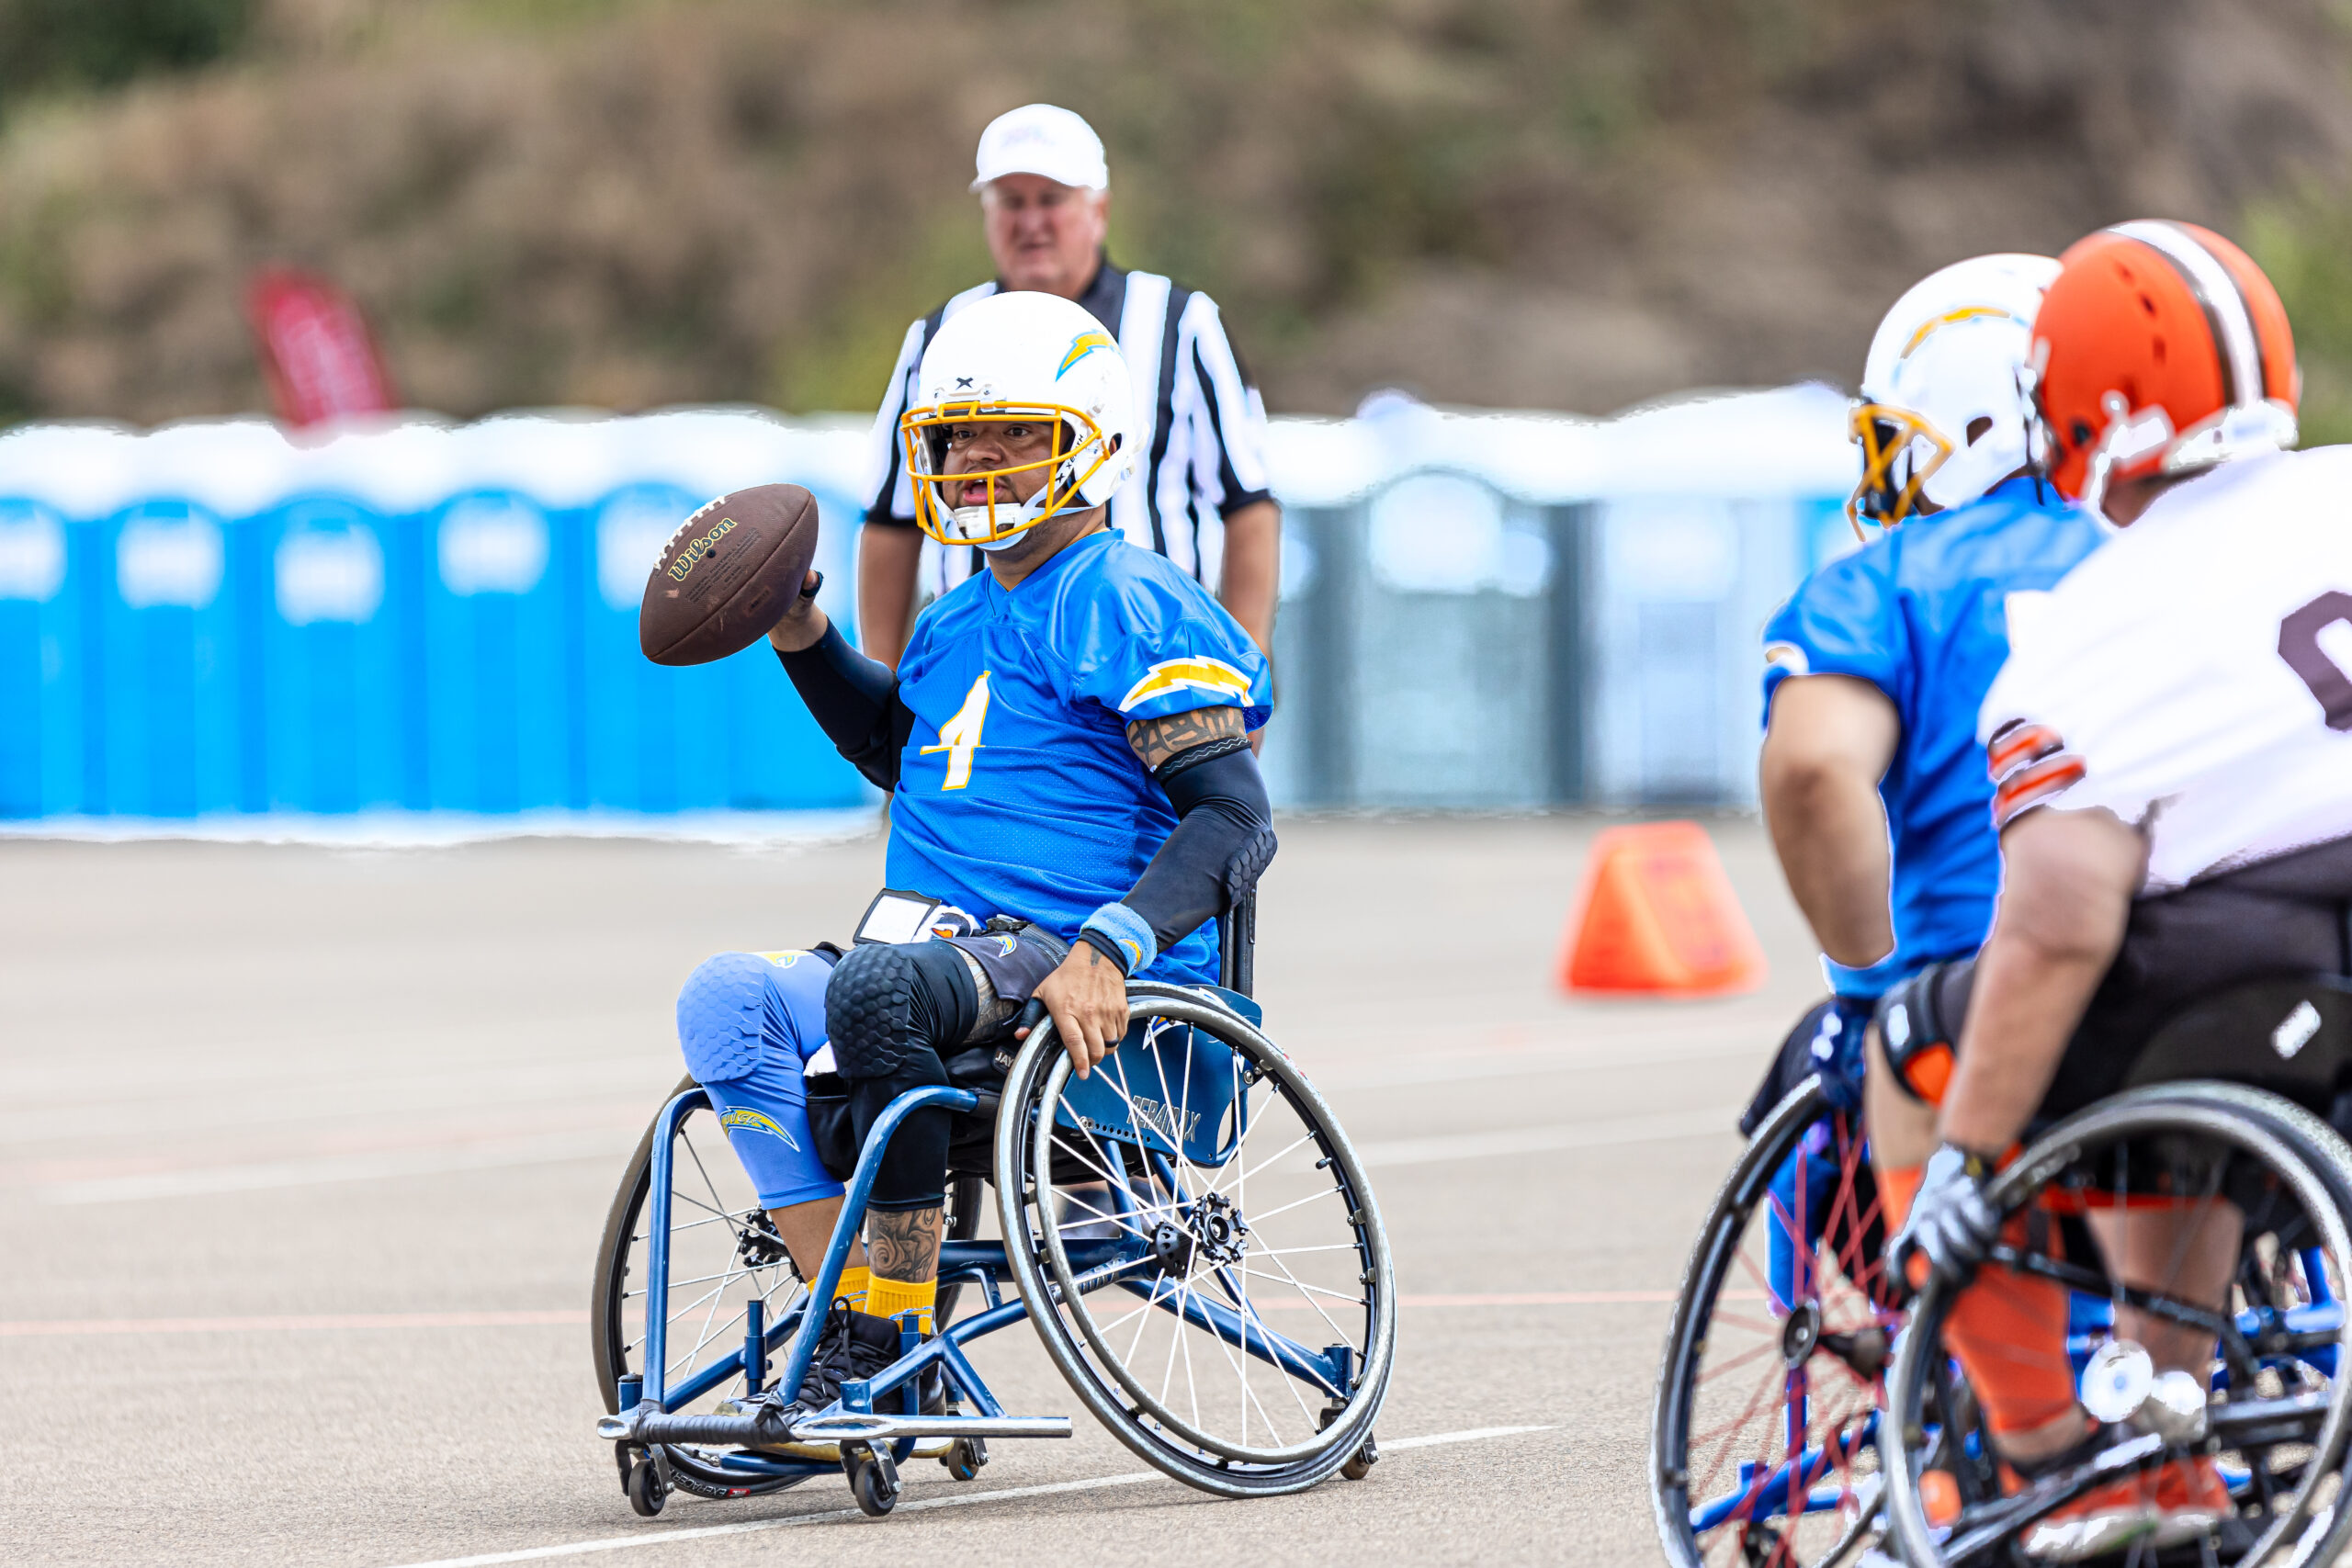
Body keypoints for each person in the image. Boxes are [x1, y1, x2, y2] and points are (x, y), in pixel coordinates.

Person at [672, 288, 1273, 1438]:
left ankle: (891, 1328)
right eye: (957, 437)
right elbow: (907, 757)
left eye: (1012, 433)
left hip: (1071, 965)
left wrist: (1112, 944)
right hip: (939, 952)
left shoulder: (1129, 599)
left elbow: (1234, 819)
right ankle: (847, 1316)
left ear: (1086, 441)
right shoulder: (953, 619)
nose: (977, 460)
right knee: (728, 998)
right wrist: (804, 636)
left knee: (875, 987)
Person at [1871, 220, 2346, 1559]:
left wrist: (1971, 1148)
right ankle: (2172, 1391)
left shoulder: (2087, 620)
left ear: (2074, 412)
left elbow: (2059, 921)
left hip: (2255, 971)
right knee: (2179, 1043)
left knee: (1921, 1046)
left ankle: (2056, 1449)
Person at [1743, 253, 2100, 1133]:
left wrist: (1868, 984)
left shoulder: (1887, 583)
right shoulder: (2182, 555)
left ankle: (1915, 1263)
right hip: (2210, 969)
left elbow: (1814, 771)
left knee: (1813, 1109)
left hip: (1977, 986)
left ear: (1974, 419)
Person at [854, 103, 1281, 679]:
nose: (1031, 222)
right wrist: (881, 688)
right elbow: (892, 516)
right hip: (979, 672)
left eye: (1051, 199)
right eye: (1011, 201)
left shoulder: (1180, 324)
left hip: (1146, 669)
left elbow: (1247, 504)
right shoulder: (942, 334)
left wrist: (1247, 662)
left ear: (1098, 210)